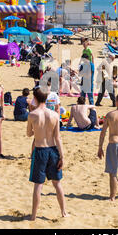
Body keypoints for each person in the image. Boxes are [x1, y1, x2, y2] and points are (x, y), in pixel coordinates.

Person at [27, 88, 67, 221]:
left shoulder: (32, 114)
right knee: (57, 184)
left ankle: (33, 216)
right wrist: (62, 156)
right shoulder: (55, 115)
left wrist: (37, 131)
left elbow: (29, 133)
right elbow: (58, 138)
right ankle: (64, 212)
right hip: (53, 150)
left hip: (40, 150)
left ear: (36, 98)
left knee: (38, 185)